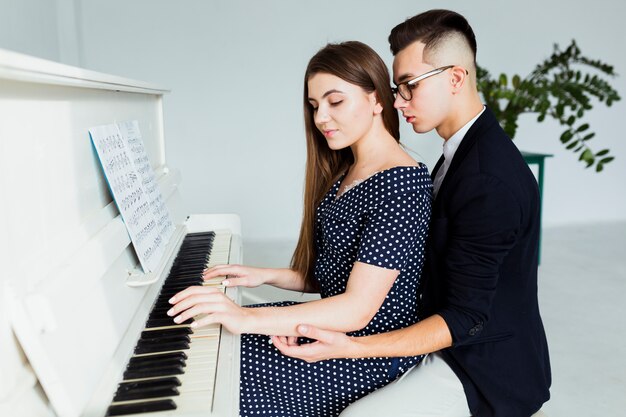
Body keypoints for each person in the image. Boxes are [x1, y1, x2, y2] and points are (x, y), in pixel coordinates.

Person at [273, 9, 551, 417]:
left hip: (480, 369)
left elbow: (464, 318)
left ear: (456, 78)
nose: (398, 101)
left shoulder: (489, 179)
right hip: (434, 335)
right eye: (396, 87)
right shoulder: (457, 154)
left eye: (409, 86)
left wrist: (353, 347)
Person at [167, 40, 433, 416]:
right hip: (333, 331)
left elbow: (357, 309)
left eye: (335, 101)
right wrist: (264, 275)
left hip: (364, 353)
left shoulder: (401, 185)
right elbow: (336, 273)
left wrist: (246, 317)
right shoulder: (348, 169)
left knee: (216, 380)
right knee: (207, 345)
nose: (321, 117)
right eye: (313, 106)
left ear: (377, 100)